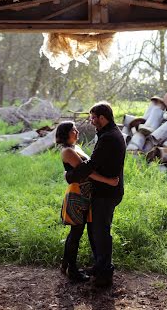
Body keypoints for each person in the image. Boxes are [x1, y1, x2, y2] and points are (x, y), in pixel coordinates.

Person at [65, 102, 126, 287]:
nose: (91, 122)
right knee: (97, 231)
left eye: (93, 118)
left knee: (101, 233)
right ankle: (100, 268)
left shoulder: (109, 137)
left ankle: (105, 273)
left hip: (106, 193)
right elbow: (94, 163)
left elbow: (91, 165)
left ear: (102, 117)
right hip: (106, 191)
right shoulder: (109, 134)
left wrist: (70, 176)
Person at [55, 120, 119, 283]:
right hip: (77, 195)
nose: (76, 132)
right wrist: (107, 181)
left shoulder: (76, 148)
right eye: (73, 130)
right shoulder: (67, 151)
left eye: (76, 129)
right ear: (65, 133)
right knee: (75, 233)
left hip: (85, 194)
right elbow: (87, 172)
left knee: (77, 232)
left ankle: (66, 265)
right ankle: (72, 271)